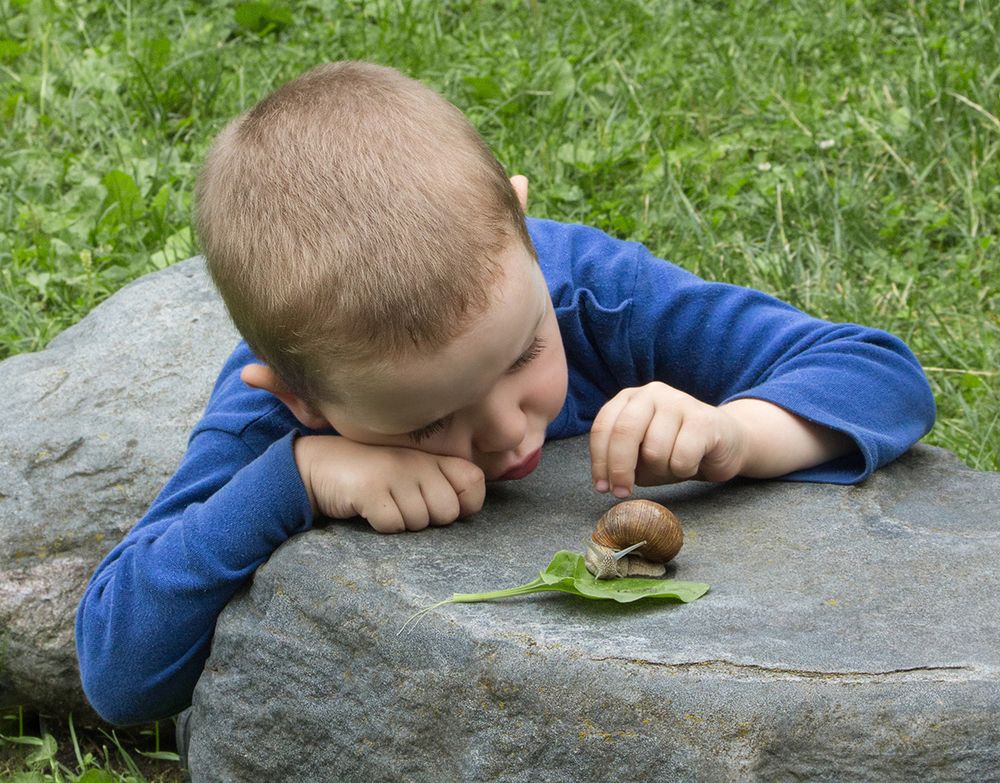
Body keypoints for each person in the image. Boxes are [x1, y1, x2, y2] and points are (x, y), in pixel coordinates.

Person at [75, 61, 935, 726]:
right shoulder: (276, 415)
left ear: (521, 227)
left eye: (524, 353)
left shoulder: (586, 290)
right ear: (303, 398)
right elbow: (116, 670)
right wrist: (292, 478)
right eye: (428, 420)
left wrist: (739, 432)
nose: (504, 429)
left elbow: (880, 372)